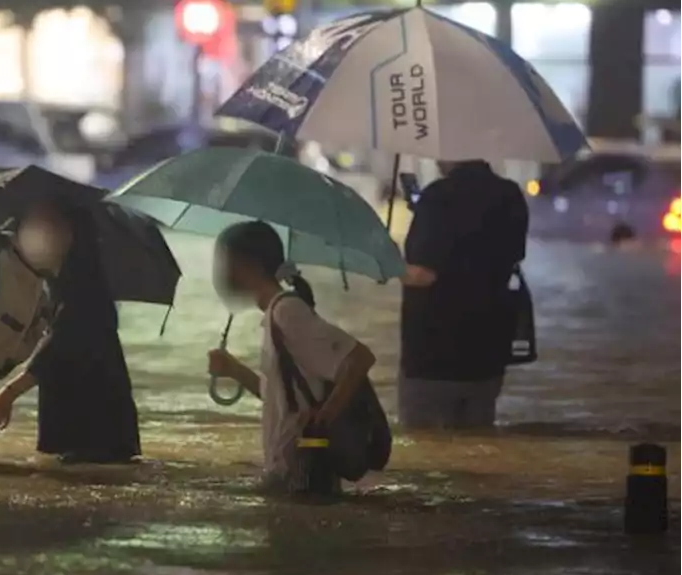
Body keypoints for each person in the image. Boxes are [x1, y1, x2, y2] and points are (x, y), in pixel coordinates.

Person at [204, 222, 376, 490]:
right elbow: (283, 396)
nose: (222, 273)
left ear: (250, 266)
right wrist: (234, 370)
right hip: (288, 470)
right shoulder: (275, 315)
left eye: (228, 262)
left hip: (305, 470)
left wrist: (322, 419)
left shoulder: (287, 312)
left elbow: (359, 358)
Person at [0, 200, 140, 464]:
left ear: (68, 235)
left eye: (42, 225)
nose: (30, 234)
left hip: (95, 440)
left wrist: (7, 394)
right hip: (92, 436)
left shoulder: (84, 293)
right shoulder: (64, 285)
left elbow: (54, 350)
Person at [399, 160, 528, 430]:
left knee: (429, 453)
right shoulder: (510, 195)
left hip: (434, 354)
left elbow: (423, 274)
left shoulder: (438, 197)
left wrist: (387, 263)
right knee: (477, 442)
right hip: (488, 352)